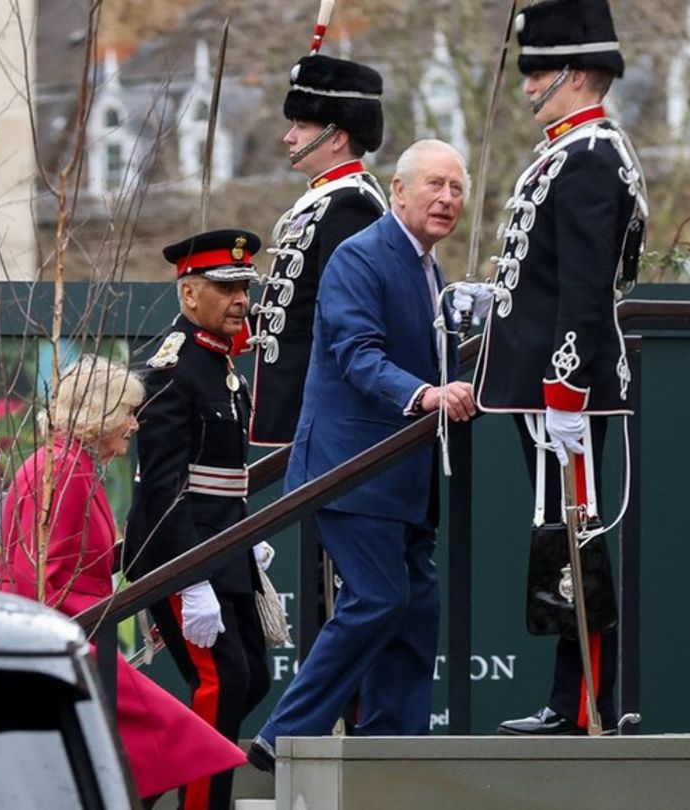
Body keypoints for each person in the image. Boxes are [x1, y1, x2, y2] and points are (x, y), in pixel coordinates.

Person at [248, 139, 474, 771]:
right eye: (434, 184)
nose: (447, 199)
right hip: (352, 470)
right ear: (397, 192)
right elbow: (357, 353)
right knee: (377, 597)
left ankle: (393, 747)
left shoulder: (434, 272)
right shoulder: (361, 256)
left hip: (406, 476)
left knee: (416, 606)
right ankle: (284, 733)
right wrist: (426, 393)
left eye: (456, 188)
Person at [456, 0, 647, 736]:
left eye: (536, 71)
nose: (528, 85)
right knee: (561, 533)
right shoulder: (570, 150)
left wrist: (566, 386)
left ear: (570, 72)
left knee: (574, 536)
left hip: (566, 389)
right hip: (544, 385)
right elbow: (544, 272)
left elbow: (586, 286)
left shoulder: (591, 155)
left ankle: (586, 704)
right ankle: (578, 699)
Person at [0, 356, 246, 800]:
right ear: (102, 415)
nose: (135, 425)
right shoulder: (64, 470)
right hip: (72, 638)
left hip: (79, 629)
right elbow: (44, 579)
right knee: (171, 740)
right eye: (129, 413)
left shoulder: (69, 465)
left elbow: (77, 565)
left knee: (154, 751)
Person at [122, 231, 270, 809]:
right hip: (180, 551)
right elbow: (162, 487)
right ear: (189, 295)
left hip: (223, 544)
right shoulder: (173, 369)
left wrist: (245, 538)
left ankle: (141, 785)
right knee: (222, 681)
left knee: (252, 676)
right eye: (226, 286)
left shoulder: (218, 360)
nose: (240, 298)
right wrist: (188, 576)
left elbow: (223, 472)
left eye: (244, 287)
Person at [249, 53, 389, 446]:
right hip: (293, 411)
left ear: (337, 136)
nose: (288, 137)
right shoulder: (322, 201)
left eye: (302, 125)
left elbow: (344, 319)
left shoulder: (352, 205)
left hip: (319, 413)